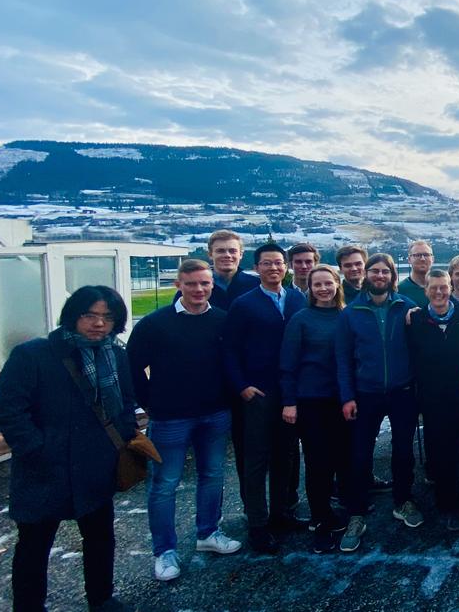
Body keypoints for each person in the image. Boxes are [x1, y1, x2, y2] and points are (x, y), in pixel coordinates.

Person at [0, 286, 138, 612]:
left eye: (107, 317)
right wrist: (36, 449)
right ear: (73, 316)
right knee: (34, 545)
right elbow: (7, 412)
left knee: (100, 538)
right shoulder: (33, 354)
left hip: (95, 466)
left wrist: (122, 437)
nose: (98, 324)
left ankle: (101, 599)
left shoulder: (115, 354)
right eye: (89, 315)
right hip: (45, 469)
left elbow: (126, 402)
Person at [128, 260, 241, 581]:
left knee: (213, 475)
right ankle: (164, 551)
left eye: (204, 284)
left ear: (212, 286)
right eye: (191, 284)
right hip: (170, 418)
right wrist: (150, 403)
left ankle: (208, 532)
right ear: (178, 285)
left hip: (215, 413)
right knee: (165, 484)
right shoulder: (155, 324)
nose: (198, 289)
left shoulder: (222, 320)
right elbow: (132, 368)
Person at [223, 242, 308, 554]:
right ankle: (257, 524)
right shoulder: (245, 304)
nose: (274, 268)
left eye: (278, 263)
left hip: (290, 391)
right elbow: (229, 349)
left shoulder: (296, 298)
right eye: (267, 263)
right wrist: (242, 386)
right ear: (256, 268)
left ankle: (281, 513)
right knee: (256, 459)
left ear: (286, 267)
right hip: (258, 393)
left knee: (286, 455)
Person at [335, 253, 422, 551]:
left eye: (385, 271)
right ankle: (357, 512)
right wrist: (347, 396)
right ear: (366, 275)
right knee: (360, 455)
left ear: (392, 276)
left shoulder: (406, 307)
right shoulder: (350, 312)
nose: (380, 276)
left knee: (403, 451)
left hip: (402, 391)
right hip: (365, 393)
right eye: (375, 271)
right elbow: (343, 359)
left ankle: (403, 500)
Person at [279, 265, 350, 553]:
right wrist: (289, 401)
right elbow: (288, 363)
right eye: (317, 284)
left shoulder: (347, 316)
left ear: (337, 284)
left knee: (342, 458)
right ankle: (320, 519)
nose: (323, 289)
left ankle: (340, 512)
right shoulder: (301, 319)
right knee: (318, 461)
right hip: (311, 400)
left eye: (327, 283)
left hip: (342, 399)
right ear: (309, 288)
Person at [407, 270, 459, 533]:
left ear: (451, 288)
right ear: (426, 291)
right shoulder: (416, 320)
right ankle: (449, 506)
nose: (439, 292)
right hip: (434, 400)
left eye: (443, 287)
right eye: (433, 288)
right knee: (442, 454)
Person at [202, 229, 261, 310]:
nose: (227, 255)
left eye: (232, 251)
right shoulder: (197, 286)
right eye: (220, 251)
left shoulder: (256, 285)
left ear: (241, 255)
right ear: (210, 254)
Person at [397, 240, 434, 308]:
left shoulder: (441, 289)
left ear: (432, 259)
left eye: (426, 255)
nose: (422, 259)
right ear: (409, 259)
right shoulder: (399, 290)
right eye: (418, 255)